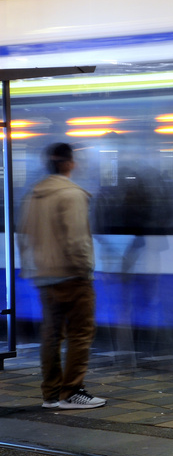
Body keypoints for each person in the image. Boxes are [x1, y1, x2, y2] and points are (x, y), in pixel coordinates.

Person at [20, 142, 105, 410]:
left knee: (51, 334)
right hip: (71, 275)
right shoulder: (71, 194)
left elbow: (25, 235)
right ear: (69, 163)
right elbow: (76, 240)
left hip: (44, 274)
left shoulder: (34, 194)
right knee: (80, 333)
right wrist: (84, 269)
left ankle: (51, 393)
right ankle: (72, 392)